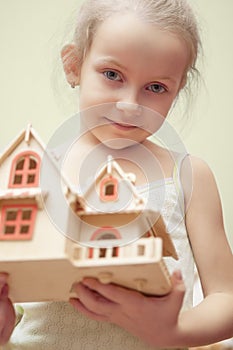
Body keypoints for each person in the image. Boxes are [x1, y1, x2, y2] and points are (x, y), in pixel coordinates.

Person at [1, 0, 233, 348]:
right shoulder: (31, 171)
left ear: (177, 88)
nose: (129, 103)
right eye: (112, 75)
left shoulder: (189, 175)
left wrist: (175, 332)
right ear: (73, 65)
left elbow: (226, 297)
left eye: (155, 87)